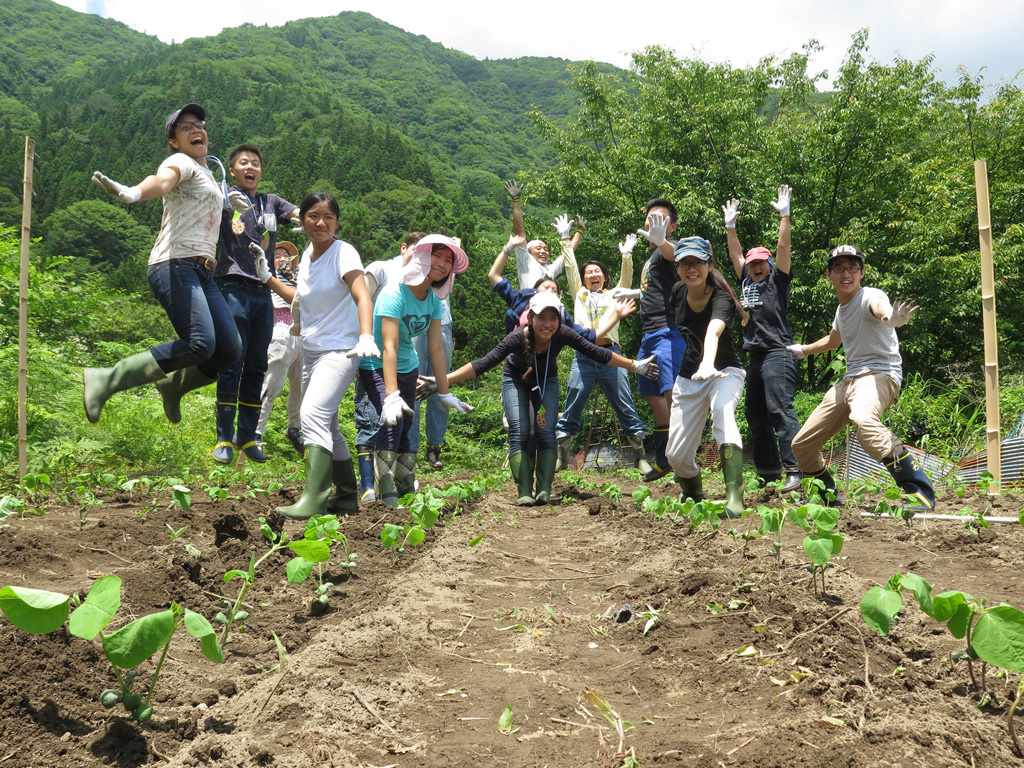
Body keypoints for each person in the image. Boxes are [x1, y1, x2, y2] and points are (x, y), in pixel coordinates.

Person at [84, 103, 250, 424]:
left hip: (203, 270)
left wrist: (226, 199)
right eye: (184, 127)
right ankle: (106, 379)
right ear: (174, 141)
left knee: (228, 349)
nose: (195, 129)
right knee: (200, 344)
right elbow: (161, 181)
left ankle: (173, 388)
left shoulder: (207, 174)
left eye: (199, 124)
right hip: (173, 263)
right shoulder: (179, 161)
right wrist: (132, 193)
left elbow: (205, 205)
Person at [439, 293, 657, 506]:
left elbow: (597, 352)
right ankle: (524, 491)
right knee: (519, 430)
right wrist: (444, 380)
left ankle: (544, 490)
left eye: (553, 318)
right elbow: (483, 363)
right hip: (515, 380)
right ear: (531, 318)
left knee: (546, 431)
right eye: (542, 318)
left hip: (546, 381)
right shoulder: (515, 338)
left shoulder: (563, 334)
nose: (548, 324)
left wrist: (634, 365)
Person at [255, 191, 378, 520]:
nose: (320, 222)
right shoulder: (307, 256)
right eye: (313, 216)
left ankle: (314, 497)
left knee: (311, 415)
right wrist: (266, 276)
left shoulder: (343, 253)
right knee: (329, 424)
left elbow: (362, 295)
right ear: (302, 220)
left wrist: (366, 334)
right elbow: (301, 300)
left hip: (340, 349)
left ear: (337, 222)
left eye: (328, 217)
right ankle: (348, 496)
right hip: (311, 351)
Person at [788, 245, 934, 513]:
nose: (847, 273)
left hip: (879, 375)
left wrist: (891, 318)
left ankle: (919, 492)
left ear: (862, 272)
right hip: (851, 381)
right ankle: (826, 496)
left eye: (852, 268)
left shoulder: (870, 295)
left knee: (864, 421)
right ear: (828, 275)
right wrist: (803, 349)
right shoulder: (841, 310)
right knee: (802, 444)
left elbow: (881, 309)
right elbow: (834, 341)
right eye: (839, 268)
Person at [358, 235, 473, 507]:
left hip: (409, 366)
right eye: (438, 256)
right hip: (377, 365)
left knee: (407, 425)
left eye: (448, 261)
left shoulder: (433, 301)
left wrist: (444, 392)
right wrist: (390, 396)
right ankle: (386, 491)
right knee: (392, 419)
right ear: (422, 256)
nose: (443, 264)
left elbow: (436, 350)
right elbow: (388, 348)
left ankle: (406, 483)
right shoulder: (394, 293)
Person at [211, 144, 299, 464]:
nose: (251, 167)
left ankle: (247, 437)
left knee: (258, 364)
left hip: (264, 291)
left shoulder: (270, 202)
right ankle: (223, 437)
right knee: (232, 361)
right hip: (231, 286)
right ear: (232, 170)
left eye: (256, 164)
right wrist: (221, 197)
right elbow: (203, 195)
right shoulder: (223, 194)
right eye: (244, 163)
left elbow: (295, 213)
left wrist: (310, 218)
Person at [553, 215, 650, 473]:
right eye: (588, 273)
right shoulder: (580, 294)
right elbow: (570, 267)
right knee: (573, 402)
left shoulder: (612, 295)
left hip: (610, 354)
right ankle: (563, 454)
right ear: (584, 280)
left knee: (624, 403)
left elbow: (627, 281)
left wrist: (627, 256)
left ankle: (640, 454)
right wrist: (565, 239)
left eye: (597, 272)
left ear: (604, 278)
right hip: (584, 356)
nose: (592, 274)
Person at [722, 186, 802, 492]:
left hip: (778, 352)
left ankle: (795, 468)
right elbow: (735, 253)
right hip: (755, 355)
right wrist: (730, 226)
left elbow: (783, 248)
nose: (755, 267)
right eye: (752, 264)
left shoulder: (777, 282)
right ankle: (768, 471)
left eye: (760, 263)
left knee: (779, 409)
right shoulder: (745, 279)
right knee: (755, 415)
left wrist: (785, 214)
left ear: (768, 265)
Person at [664, 237, 749, 519]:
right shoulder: (678, 292)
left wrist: (708, 364)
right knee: (675, 455)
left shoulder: (721, 298)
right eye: (685, 263)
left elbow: (713, 331)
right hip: (689, 377)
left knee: (723, 413)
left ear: (709, 265)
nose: (692, 268)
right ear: (677, 268)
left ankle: (735, 497)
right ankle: (692, 491)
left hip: (724, 372)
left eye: (698, 262)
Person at [354, 231, 426, 502]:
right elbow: (360, 304)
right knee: (371, 419)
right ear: (404, 247)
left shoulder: (421, 284)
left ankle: (398, 486)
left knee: (401, 422)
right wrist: (360, 345)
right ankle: (371, 488)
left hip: (400, 362)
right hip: (370, 355)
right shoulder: (381, 270)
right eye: (416, 251)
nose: (420, 258)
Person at [635, 199, 685, 480]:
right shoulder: (651, 255)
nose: (652, 223)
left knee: (672, 395)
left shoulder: (669, 249)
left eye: (660, 219)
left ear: (672, 226)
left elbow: (678, 255)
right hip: (648, 336)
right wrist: (632, 294)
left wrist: (664, 241)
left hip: (667, 333)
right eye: (649, 218)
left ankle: (683, 457)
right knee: (655, 398)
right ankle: (663, 458)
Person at [254, 240, 304, 455]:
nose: (283, 258)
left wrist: (293, 275)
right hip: (280, 326)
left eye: (286, 255)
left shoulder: (301, 275)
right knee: (272, 383)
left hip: (304, 331)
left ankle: (295, 428)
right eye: (278, 255)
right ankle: (255, 432)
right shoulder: (264, 274)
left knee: (302, 387)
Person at [504, 179, 582, 289]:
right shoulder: (526, 260)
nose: (543, 251)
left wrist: (579, 231)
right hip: (530, 305)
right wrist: (516, 200)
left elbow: (569, 251)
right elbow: (519, 231)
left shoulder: (550, 269)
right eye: (539, 248)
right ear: (529, 251)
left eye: (545, 249)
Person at [410, 294, 453, 469]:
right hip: (414, 318)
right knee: (412, 387)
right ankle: (410, 451)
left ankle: (434, 448)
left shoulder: (445, 268)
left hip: (442, 320)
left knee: (440, 387)